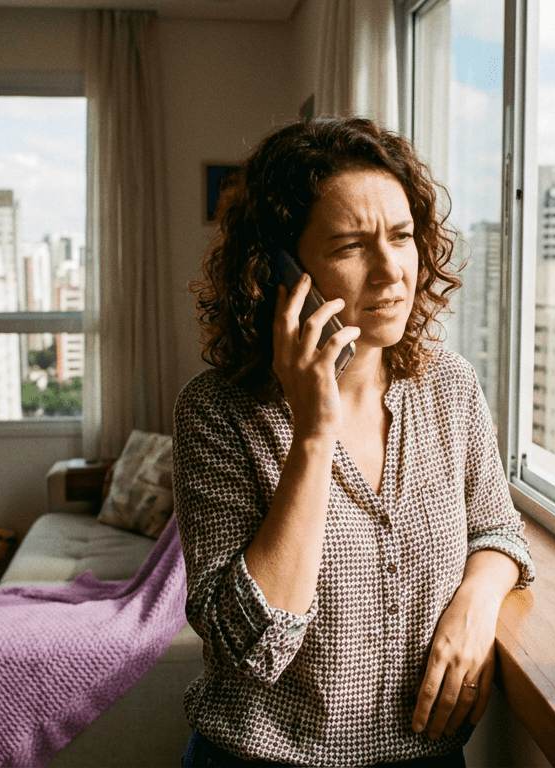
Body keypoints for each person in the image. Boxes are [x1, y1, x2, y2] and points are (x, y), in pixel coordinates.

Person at [174, 117, 535, 767]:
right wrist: (313, 434)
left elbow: (498, 531)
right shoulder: (218, 412)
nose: (392, 271)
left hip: (427, 758)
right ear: (281, 269)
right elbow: (251, 650)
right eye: (349, 246)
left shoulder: (449, 387)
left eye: (402, 237)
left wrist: (477, 605)